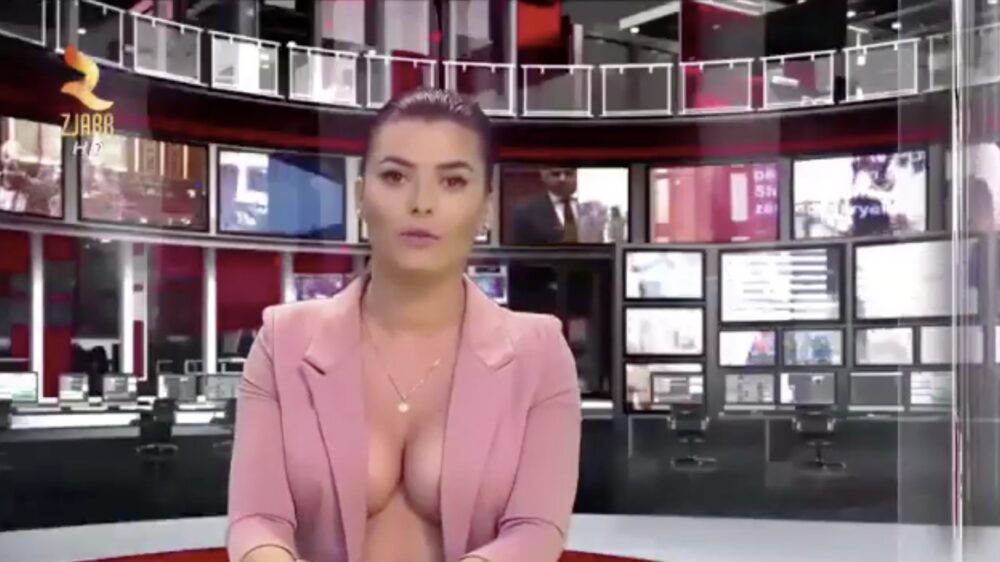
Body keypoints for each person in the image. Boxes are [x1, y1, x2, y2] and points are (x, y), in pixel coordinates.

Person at [227, 88, 582, 562]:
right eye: (395, 176)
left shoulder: (540, 353)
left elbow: (535, 530)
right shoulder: (282, 341)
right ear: (360, 196)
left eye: (453, 181)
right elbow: (257, 520)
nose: (421, 203)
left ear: (486, 208)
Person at [510, 167, 579, 245]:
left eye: (568, 173)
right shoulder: (525, 210)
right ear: (543, 176)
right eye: (556, 174)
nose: (562, 179)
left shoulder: (590, 203)